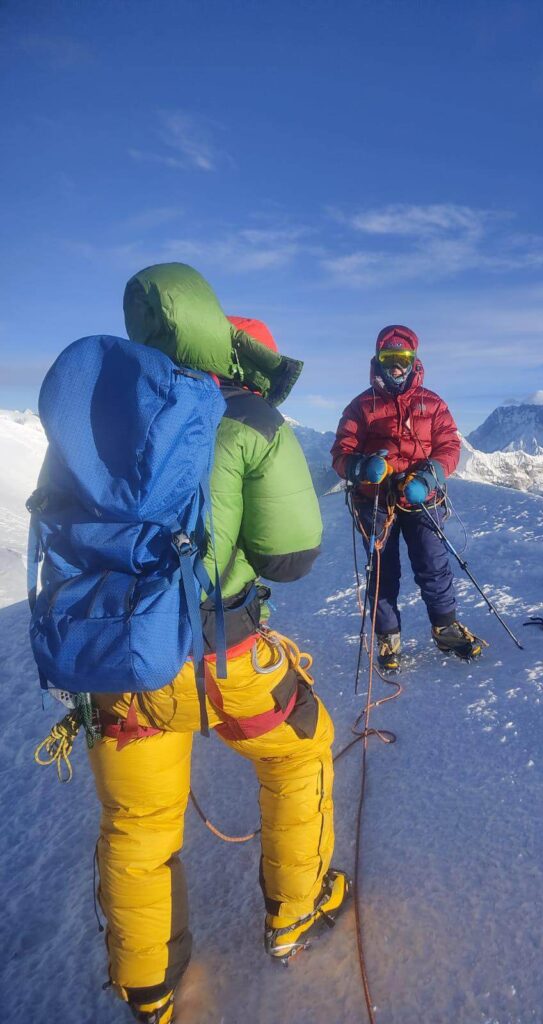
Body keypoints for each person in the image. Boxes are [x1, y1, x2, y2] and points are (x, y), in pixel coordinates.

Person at [80, 265, 346, 1023]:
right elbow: (292, 557)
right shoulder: (250, 419)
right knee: (300, 749)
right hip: (217, 659)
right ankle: (296, 910)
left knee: (137, 824)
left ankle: (149, 988)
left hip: (113, 662)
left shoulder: (99, 406)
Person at [331, 325, 484, 672]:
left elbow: (449, 447)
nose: (395, 368)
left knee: (433, 564)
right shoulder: (361, 407)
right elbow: (341, 453)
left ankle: (445, 629)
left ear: (413, 361)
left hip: (421, 496)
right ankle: (388, 638)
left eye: (402, 360)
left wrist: (429, 475)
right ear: (378, 361)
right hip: (376, 501)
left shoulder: (432, 403)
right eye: (389, 359)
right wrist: (361, 466)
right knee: (383, 572)